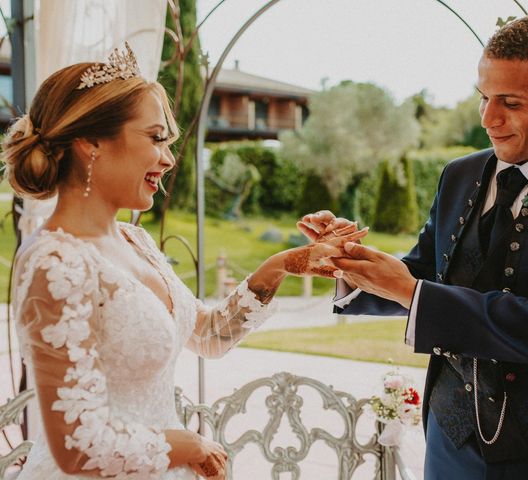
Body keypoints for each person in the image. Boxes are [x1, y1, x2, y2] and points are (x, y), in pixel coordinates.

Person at [299, 14, 528, 480]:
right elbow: (423, 272)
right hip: (448, 444)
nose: (488, 119)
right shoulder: (459, 173)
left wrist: (410, 291)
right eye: (483, 97)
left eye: (510, 102)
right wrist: (349, 261)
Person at [3, 44, 364, 479]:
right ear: (91, 141)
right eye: (155, 138)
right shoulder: (55, 261)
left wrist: (282, 265)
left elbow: (211, 336)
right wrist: (186, 445)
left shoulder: (135, 241)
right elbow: (76, 446)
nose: (169, 159)